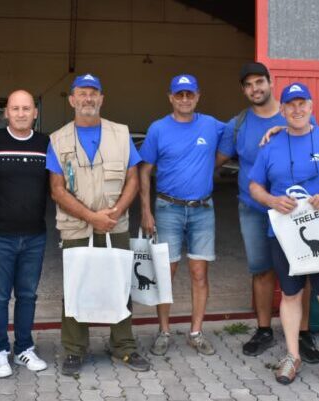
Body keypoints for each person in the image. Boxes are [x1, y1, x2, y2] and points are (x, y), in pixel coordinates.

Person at [248, 82, 319, 391]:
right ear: (282, 110)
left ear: (311, 106)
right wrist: (271, 200)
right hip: (284, 236)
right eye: (290, 104)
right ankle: (292, 356)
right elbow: (255, 185)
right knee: (291, 295)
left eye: (302, 103)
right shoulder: (271, 145)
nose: (296, 109)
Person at [216, 62, 319, 361]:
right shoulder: (238, 125)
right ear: (243, 90)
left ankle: (303, 334)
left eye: (259, 82)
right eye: (248, 85)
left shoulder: (292, 113)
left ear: (270, 82)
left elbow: (318, 145)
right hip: (254, 209)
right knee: (261, 270)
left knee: (301, 270)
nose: (255, 89)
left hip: (293, 212)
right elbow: (216, 160)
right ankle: (264, 329)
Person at [46, 73, 150, 376]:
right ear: (72, 99)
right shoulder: (58, 138)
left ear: (102, 99)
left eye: (94, 93)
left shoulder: (121, 133)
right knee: (76, 286)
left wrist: (114, 212)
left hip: (115, 225)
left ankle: (124, 347)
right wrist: (92, 217)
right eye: (82, 93)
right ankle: (75, 350)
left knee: (119, 284)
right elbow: (56, 188)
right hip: (77, 226)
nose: (88, 99)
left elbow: (133, 178)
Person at [139, 74, 227, 356]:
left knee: (199, 273)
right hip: (168, 209)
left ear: (198, 96)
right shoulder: (158, 129)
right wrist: (145, 210)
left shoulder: (212, 125)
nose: (185, 99)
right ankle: (164, 331)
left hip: (202, 209)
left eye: (190, 94)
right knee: (166, 273)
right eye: (180, 95)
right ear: (171, 97)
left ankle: (196, 332)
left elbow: (245, 130)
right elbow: (144, 170)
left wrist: (275, 128)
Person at [0, 90, 49, 378]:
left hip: (34, 235)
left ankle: (24, 348)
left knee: (28, 296)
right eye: (15, 108)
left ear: (35, 113)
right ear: (6, 112)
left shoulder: (46, 144)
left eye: (26, 108)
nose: (21, 113)